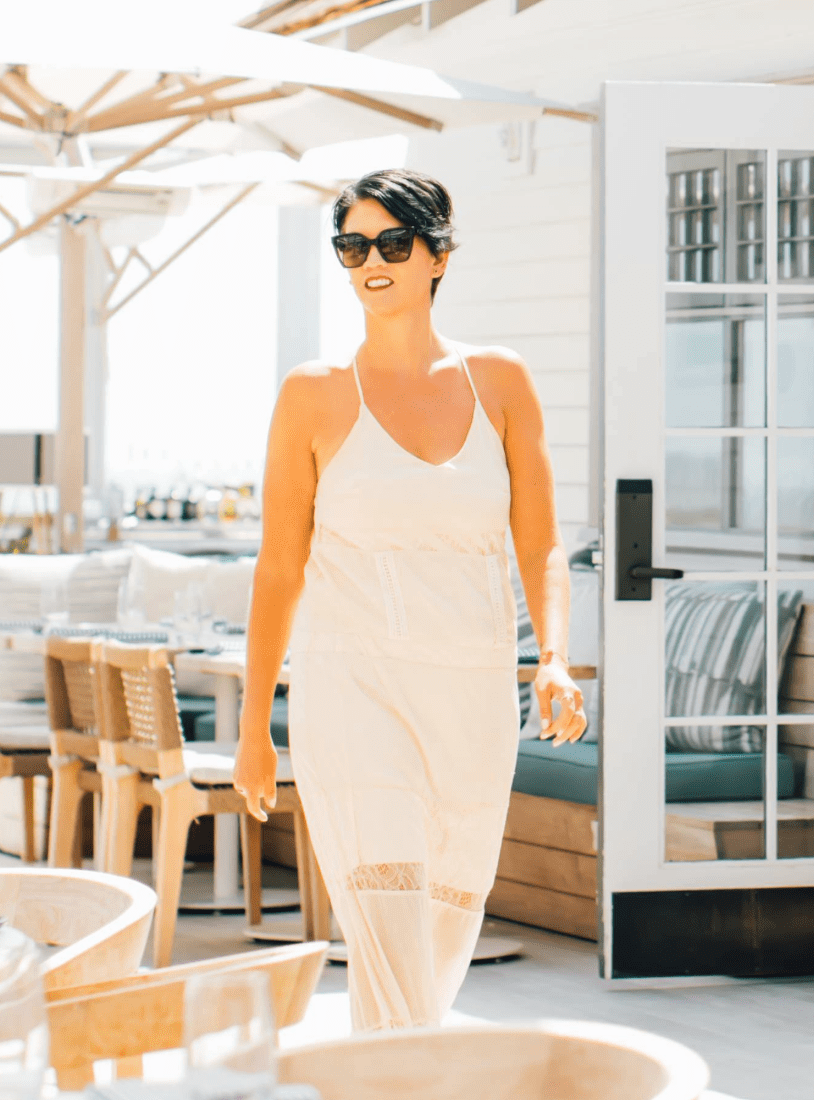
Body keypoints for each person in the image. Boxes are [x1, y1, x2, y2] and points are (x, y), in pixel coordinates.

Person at [234, 168, 586, 1030]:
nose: (371, 262)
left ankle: (389, 1075)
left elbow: (539, 543)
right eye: (353, 246)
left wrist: (554, 658)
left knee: (435, 945)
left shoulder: (500, 382)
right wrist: (252, 729)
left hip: (470, 696)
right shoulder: (311, 394)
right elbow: (279, 567)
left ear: (438, 256)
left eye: (392, 242)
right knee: (387, 932)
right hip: (354, 690)